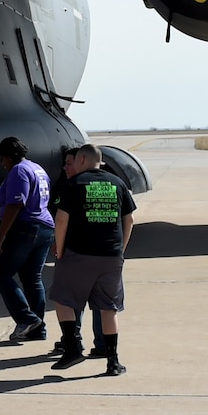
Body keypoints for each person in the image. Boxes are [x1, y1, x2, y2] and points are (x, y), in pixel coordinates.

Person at [49, 145, 136, 376]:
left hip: (80, 253)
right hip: (111, 256)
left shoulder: (74, 184)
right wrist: (121, 250)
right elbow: (129, 220)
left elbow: (61, 220)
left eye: (75, 161)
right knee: (109, 308)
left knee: (62, 299)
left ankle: (73, 347)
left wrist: (59, 247)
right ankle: (113, 361)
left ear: (83, 159)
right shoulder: (117, 183)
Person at [0, 136, 54, 342]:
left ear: (8, 156)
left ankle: (26, 318)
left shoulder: (19, 171)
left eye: (2, 160)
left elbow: (16, 204)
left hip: (25, 227)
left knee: (0, 271)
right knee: (32, 278)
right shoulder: (38, 168)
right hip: (45, 227)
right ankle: (37, 329)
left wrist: (2, 235)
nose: (2, 164)